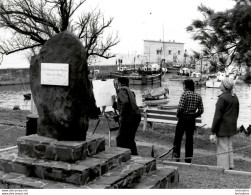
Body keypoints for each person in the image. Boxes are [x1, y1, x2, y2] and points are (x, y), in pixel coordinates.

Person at [172, 79, 204, 163]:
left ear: (186, 86)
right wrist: (194, 115)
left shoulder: (184, 94)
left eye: (183, 85)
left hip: (183, 118)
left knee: (178, 138)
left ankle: (176, 156)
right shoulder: (198, 96)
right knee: (189, 140)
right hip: (191, 120)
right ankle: (188, 159)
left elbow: (181, 108)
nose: (183, 87)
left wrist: (179, 115)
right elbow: (201, 110)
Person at [211, 77, 239, 170]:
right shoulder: (234, 97)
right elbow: (237, 113)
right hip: (231, 127)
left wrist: (213, 130)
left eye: (222, 84)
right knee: (229, 146)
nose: (220, 85)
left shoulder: (222, 98)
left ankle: (223, 167)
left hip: (222, 127)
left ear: (225, 86)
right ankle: (230, 165)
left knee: (222, 148)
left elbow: (217, 115)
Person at [112, 77, 141, 155]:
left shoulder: (121, 90)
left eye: (117, 83)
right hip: (136, 116)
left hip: (129, 117)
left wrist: (121, 116)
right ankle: (134, 154)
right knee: (130, 138)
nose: (116, 84)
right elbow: (123, 103)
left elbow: (125, 103)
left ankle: (121, 155)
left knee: (120, 138)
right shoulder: (130, 91)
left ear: (120, 83)